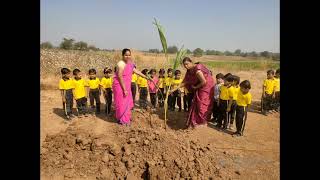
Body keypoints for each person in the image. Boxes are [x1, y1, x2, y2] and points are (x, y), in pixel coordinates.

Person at [170, 57, 215, 128]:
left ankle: (203, 122)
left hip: (206, 86)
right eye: (184, 65)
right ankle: (196, 120)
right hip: (200, 85)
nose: (186, 66)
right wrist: (173, 89)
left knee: (202, 104)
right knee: (197, 102)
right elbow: (185, 82)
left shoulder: (197, 70)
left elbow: (204, 82)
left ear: (191, 62)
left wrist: (196, 87)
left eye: (187, 64)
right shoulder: (189, 71)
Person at [112, 48, 150, 125]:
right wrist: (124, 89)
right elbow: (119, 76)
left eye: (129, 55)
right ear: (122, 55)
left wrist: (145, 77)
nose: (128, 56)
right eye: (126, 55)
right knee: (121, 102)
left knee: (126, 102)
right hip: (120, 85)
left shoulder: (130, 64)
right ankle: (122, 119)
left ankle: (125, 118)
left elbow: (136, 71)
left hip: (126, 85)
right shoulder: (121, 64)